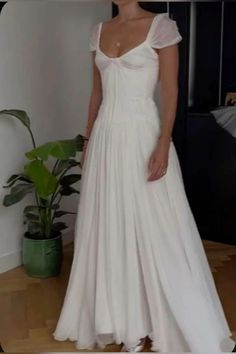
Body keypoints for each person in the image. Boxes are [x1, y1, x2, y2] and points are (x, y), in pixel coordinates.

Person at [53, 0, 236, 352]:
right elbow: (97, 93)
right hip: (107, 134)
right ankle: (120, 316)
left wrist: (164, 142)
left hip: (143, 134)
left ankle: (160, 315)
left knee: (156, 222)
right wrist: (87, 140)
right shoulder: (98, 31)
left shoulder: (161, 27)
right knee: (110, 221)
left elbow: (170, 91)